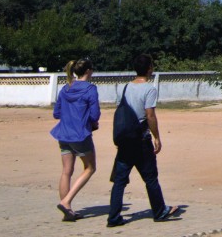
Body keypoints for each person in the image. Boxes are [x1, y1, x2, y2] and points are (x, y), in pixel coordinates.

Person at [107, 54, 181, 227]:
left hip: (125, 140)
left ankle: (113, 217)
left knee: (119, 180)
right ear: (149, 69)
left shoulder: (124, 88)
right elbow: (150, 115)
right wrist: (157, 137)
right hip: (141, 140)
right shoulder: (149, 89)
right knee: (150, 178)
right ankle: (159, 210)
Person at [51, 57, 100, 222]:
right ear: (88, 71)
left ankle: (68, 210)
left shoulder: (65, 88)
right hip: (80, 135)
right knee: (90, 168)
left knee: (66, 171)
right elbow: (95, 114)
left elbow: (56, 113)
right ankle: (66, 202)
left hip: (63, 133)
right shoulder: (90, 89)